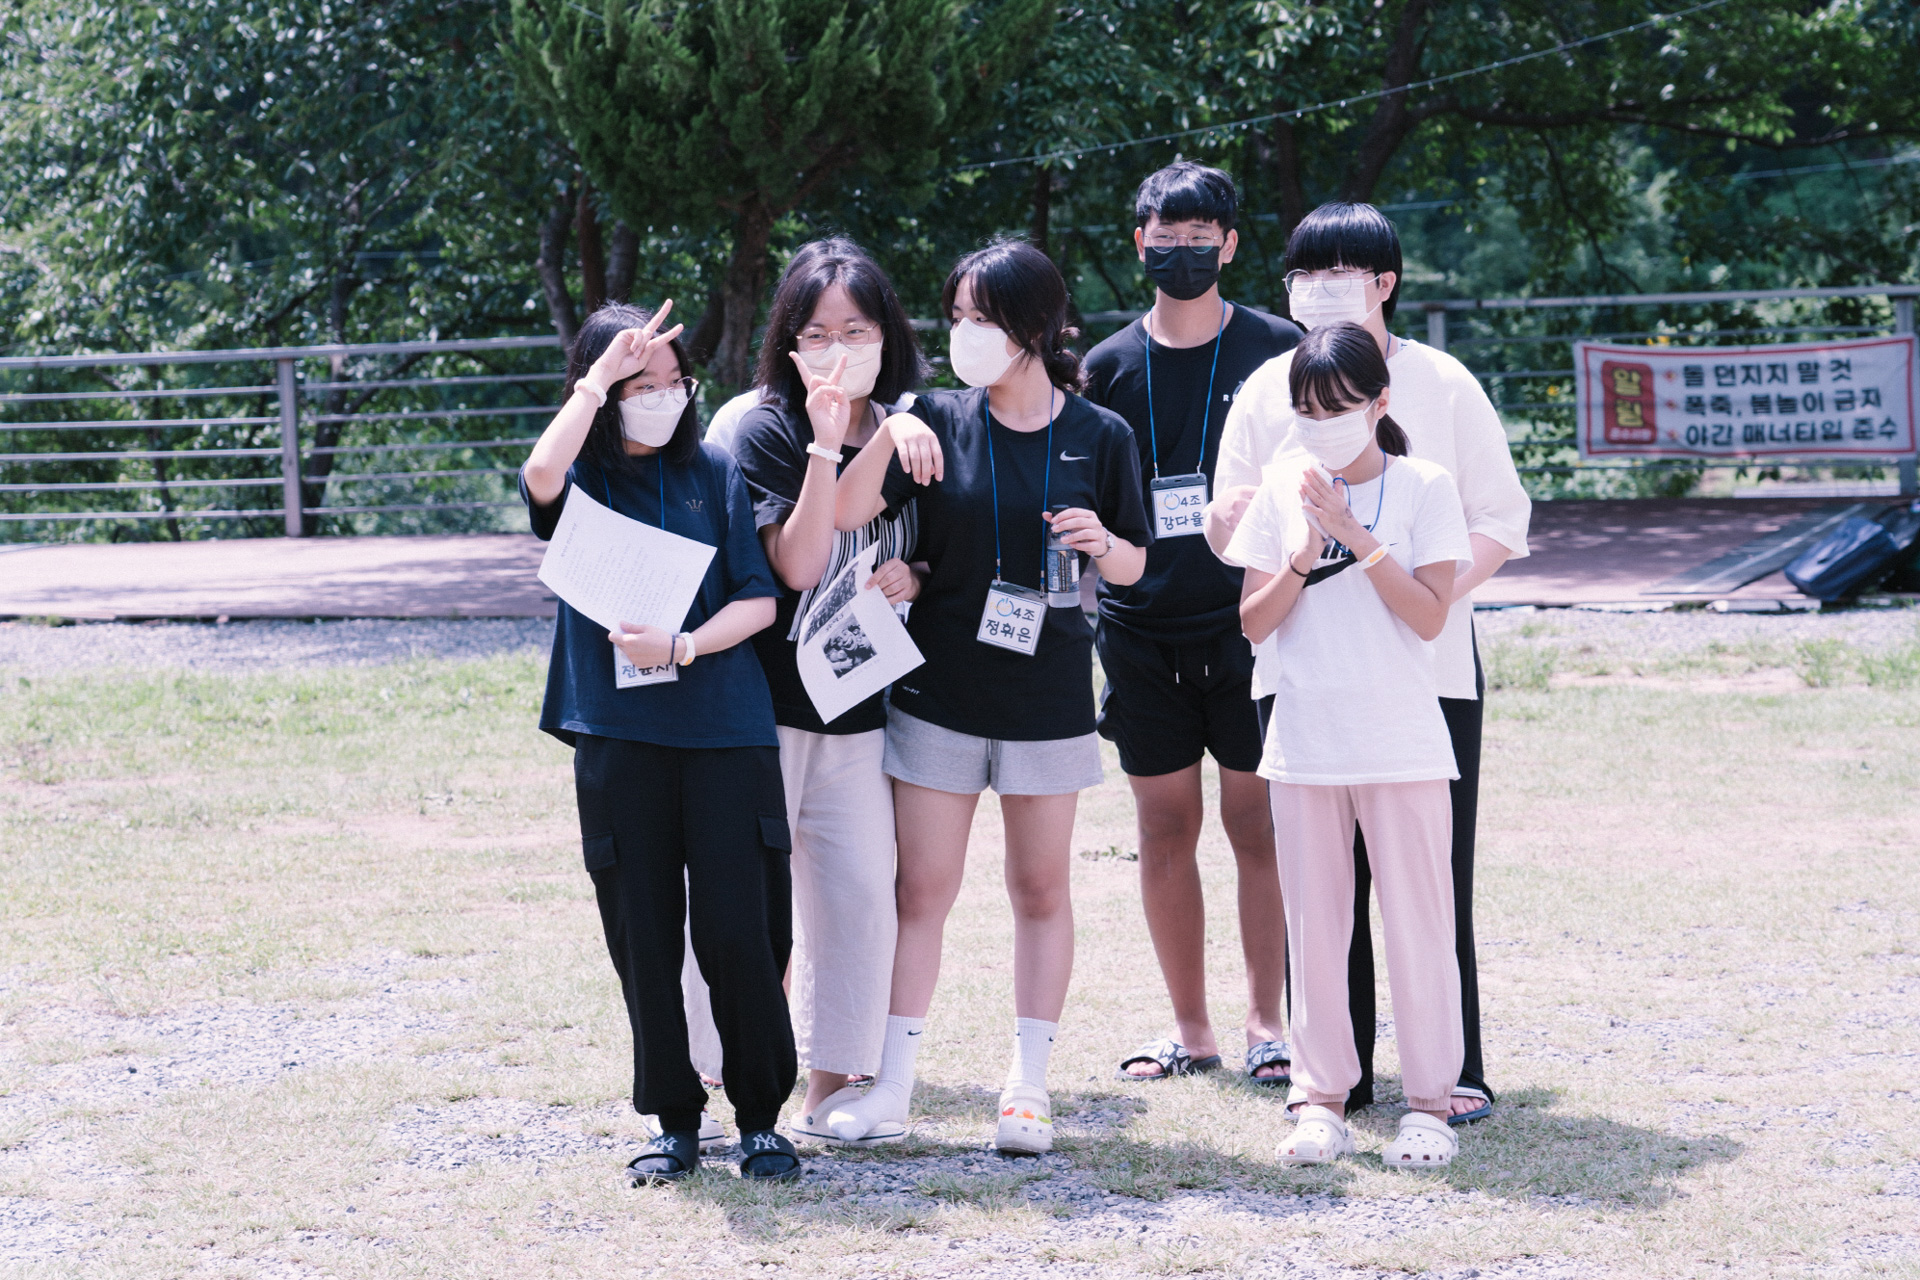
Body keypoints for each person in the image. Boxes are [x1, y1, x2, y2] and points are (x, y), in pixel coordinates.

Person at [825, 239, 1153, 1154]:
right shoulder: (933, 417)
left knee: (1040, 889)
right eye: (958, 316)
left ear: (1036, 326)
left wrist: (1102, 544)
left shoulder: (1102, 434)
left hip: (1048, 698)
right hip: (939, 694)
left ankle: (1028, 1089)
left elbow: (1135, 564)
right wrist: (889, 430)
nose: (965, 333)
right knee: (921, 891)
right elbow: (845, 514)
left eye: (984, 317)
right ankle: (892, 1086)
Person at [1206, 202, 1531, 1123]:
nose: (1319, 288)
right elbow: (1230, 524)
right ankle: (1332, 1081)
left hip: (1429, 672)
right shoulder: (1269, 387)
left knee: (1430, 881)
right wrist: (1249, 529)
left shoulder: (1443, 381)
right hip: (1302, 675)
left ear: (1385, 282)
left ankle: (1451, 1071)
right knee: (1319, 888)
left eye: (1340, 271)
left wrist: (1422, 590)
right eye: (1304, 274)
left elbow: (1501, 516)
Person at [519, 300, 803, 1186]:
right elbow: (539, 473)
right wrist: (598, 381)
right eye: (641, 385)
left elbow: (759, 599)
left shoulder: (712, 469)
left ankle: (761, 1119)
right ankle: (674, 1119)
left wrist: (682, 646)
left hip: (725, 731)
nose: (663, 397)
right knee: (642, 932)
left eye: (674, 382)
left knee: (742, 928)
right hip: (618, 733)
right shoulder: (584, 475)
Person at [1223, 321, 1472, 1167]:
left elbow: (1430, 616)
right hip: (1306, 741)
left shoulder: (1424, 486)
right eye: (1308, 409)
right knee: (1316, 930)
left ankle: (1431, 1102)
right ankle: (1319, 1098)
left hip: (1402, 743)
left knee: (1420, 927)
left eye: (1338, 407)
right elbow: (1253, 623)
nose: (1322, 423)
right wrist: (1300, 554)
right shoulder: (1279, 486)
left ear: (1379, 402)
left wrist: (1358, 538)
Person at [1081, 162, 1301, 1086]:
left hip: (1252, 624)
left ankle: (1268, 1026)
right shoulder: (1104, 367)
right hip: (1138, 629)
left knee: (1259, 826)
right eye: (1165, 239)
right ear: (1139, 244)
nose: (1182, 253)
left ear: (1231, 245)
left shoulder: (1281, 349)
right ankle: (1192, 1030)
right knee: (1164, 828)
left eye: (1200, 239)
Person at [727, 237, 930, 1141]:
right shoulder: (764, 429)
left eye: (856, 330)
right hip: (765, 705)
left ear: (888, 334)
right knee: (753, 900)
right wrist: (824, 441)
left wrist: (918, 574)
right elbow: (800, 564)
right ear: (789, 342)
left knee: (856, 899)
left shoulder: (916, 426)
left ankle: (831, 1085)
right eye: (817, 333)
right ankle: (735, 1081)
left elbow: (940, 547)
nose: (837, 349)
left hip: (862, 708)